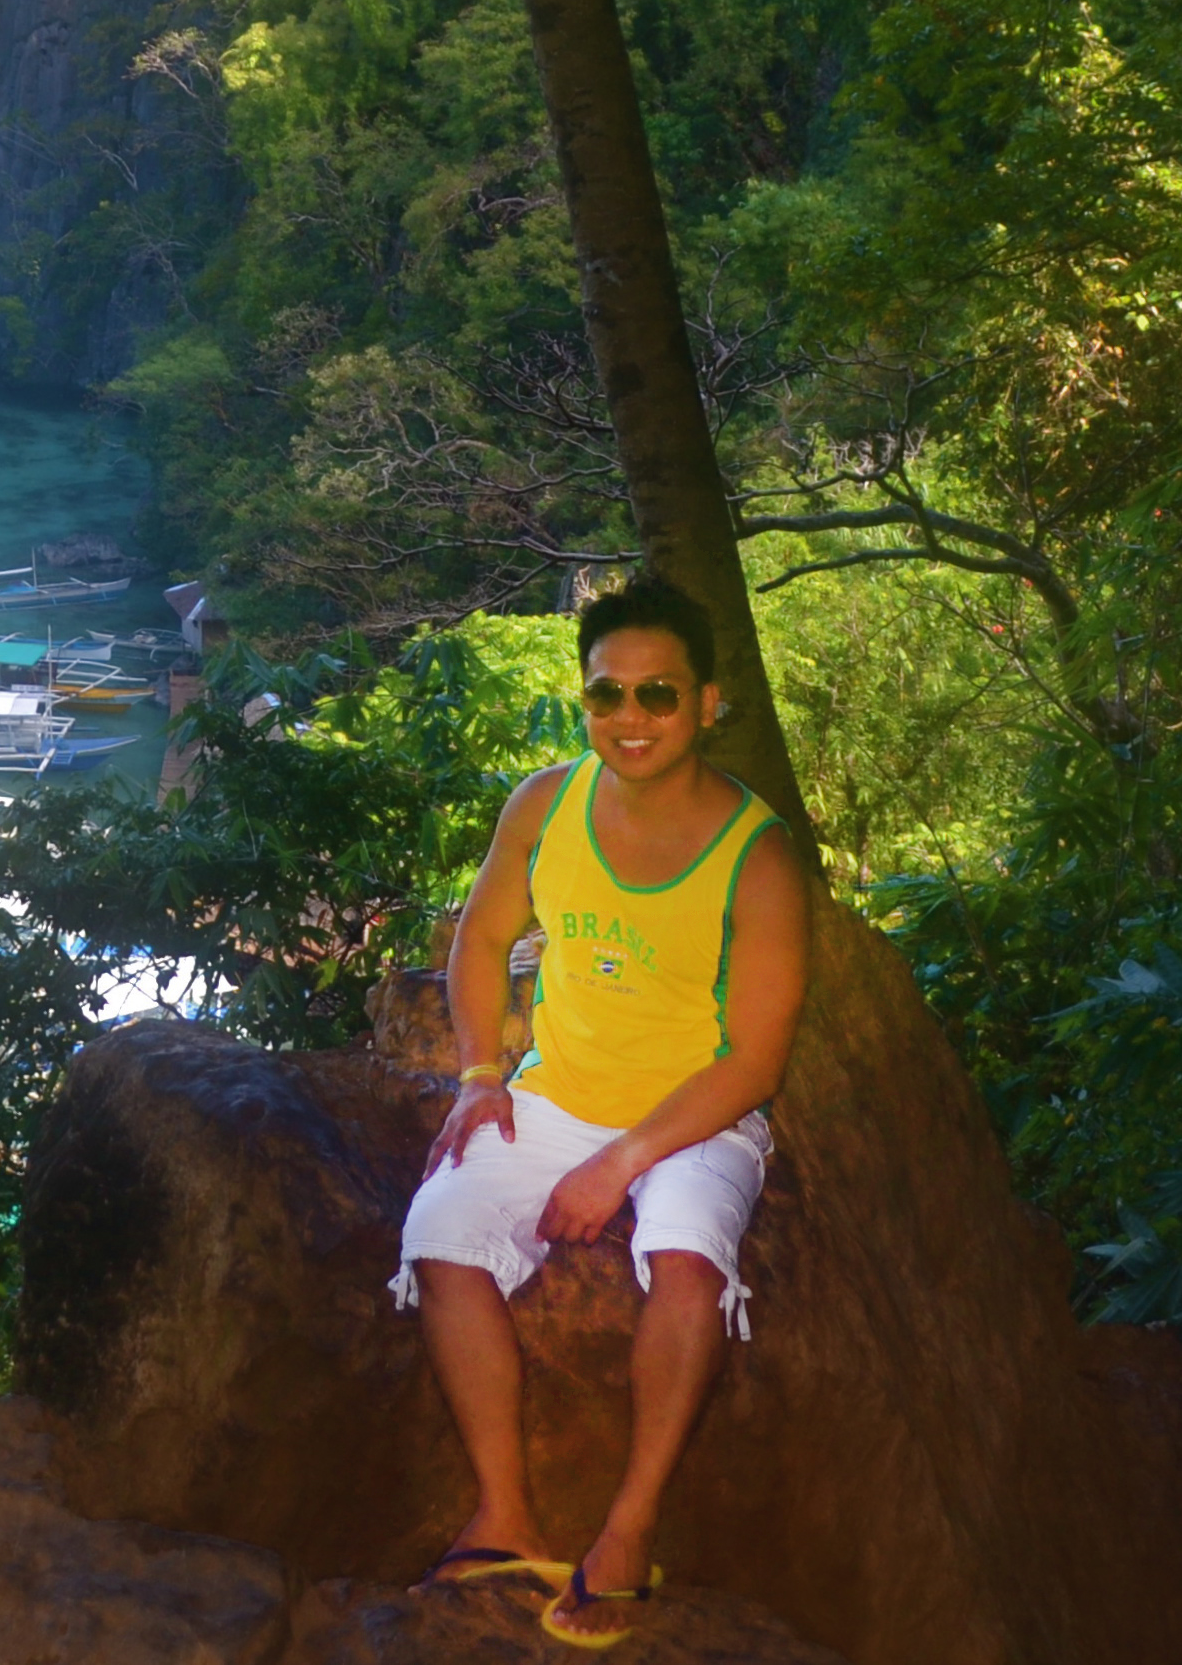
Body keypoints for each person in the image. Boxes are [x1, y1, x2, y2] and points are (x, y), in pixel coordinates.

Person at [392, 573, 811, 1650]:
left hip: (694, 1117)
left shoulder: (756, 855)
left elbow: (755, 1061)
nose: (630, 717)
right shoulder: (544, 804)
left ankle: (628, 1528)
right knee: (439, 1233)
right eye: (605, 694)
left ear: (706, 703)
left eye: (657, 694)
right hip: (558, 1091)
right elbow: (481, 940)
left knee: (684, 1258)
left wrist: (618, 1164)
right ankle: (504, 1513)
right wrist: (478, 1073)